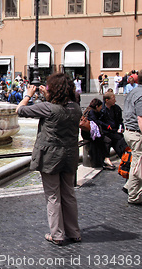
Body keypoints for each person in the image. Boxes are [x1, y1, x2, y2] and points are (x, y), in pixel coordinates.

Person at [16, 73, 82, 246]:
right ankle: (74, 232)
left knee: (53, 196)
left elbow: (20, 110)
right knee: (68, 193)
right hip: (70, 155)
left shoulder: (48, 108)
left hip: (51, 157)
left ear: (54, 89)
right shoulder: (76, 107)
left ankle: (57, 234)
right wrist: (48, 95)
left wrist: (28, 95)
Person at [122, 69, 142, 204]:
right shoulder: (141, 94)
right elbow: (141, 118)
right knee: (138, 164)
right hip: (136, 132)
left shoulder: (133, 92)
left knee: (137, 161)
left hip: (129, 131)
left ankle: (128, 186)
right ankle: (133, 196)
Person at [98, 92, 129, 167]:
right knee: (108, 140)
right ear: (107, 100)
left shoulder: (116, 108)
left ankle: (125, 159)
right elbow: (98, 121)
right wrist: (106, 126)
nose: (115, 101)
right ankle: (106, 158)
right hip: (105, 132)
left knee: (120, 141)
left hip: (115, 131)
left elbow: (120, 120)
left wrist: (121, 127)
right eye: (113, 99)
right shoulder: (101, 109)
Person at [82, 98, 110, 168]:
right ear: (97, 106)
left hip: (87, 133)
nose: (101, 108)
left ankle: (101, 161)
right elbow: (96, 122)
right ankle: (102, 160)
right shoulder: (92, 112)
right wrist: (106, 125)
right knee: (105, 141)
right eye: (100, 107)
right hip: (89, 134)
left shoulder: (88, 110)